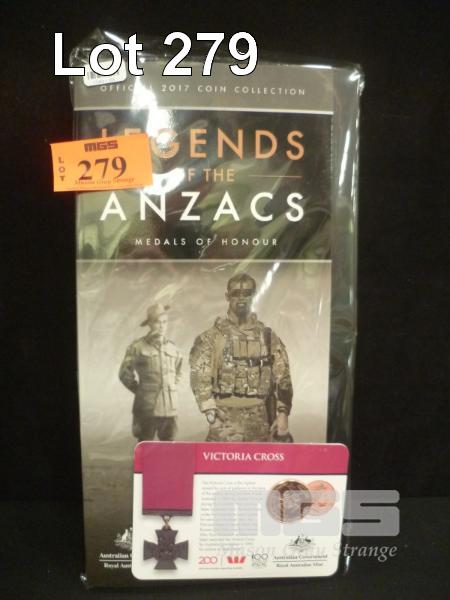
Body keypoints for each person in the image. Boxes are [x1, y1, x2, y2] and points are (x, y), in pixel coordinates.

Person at [189, 273, 293, 442]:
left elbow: (283, 376)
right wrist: (211, 416)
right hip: (224, 421)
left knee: (261, 460)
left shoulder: (267, 336)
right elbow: (199, 378)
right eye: (236, 293)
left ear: (254, 295)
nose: (241, 298)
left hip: (261, 421)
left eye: (247, 293)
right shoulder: (211, 337)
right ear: (227, 296)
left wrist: (283, 413)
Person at [119, 303, 182, 441]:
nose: (162, 326)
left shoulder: (173, 348)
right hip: (147, 408)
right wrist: (140, 391)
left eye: (165, 322)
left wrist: (170, 387)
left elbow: (178, 372)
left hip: (170, 408)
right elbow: (124, 373)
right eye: (158, 322)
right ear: (150, 324)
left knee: (169, 446)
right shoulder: (137, 347)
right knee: (145, 445)